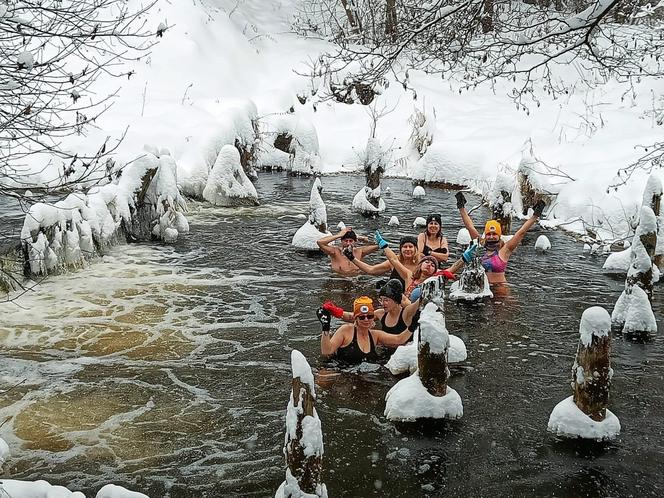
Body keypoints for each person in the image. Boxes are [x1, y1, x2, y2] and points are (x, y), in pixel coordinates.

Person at [455, 191, 545, 285]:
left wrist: (535, 216)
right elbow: (470, 227)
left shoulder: (505, 249)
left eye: (494, 234)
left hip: (500, 290)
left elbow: (521, 233)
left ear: (499, 235)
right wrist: (461, 207)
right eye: (489, 234)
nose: (491, 237)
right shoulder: (480, 244)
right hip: (482, 289)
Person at [318, 296, 413, 363]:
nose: (366, 319)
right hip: (340, 370)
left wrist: (414, 325)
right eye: (362, 317)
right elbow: (326, 351)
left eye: (370, 316)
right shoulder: (346, 330)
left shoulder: (375, 335)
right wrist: (325, 328)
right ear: (355, 318)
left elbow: (399, 339)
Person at [374, 231, 457, 300]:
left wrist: (465, 258)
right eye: (426, 262)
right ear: (420, 265)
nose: (429, 265)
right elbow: (394, 260)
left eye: (432, 265)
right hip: (407, 309)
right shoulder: (410, 276)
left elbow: (452, 269)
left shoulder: (434, 278)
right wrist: (383, 245)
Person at [321, 279, 420, 336]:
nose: (382, 303)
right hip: (386, 350)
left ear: (396, 300)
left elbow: (418, 304)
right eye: (381, 300)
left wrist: (426, 291)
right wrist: (337, 312)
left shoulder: (406, 313)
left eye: (386, 300)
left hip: (402, 354)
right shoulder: (380, 313)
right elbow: (355, 316)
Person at [342, 235, 420, 287]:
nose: (408, 249)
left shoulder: (421, 264)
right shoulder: (393, 262)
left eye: (410, 247)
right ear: (400, 249)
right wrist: (352, 258)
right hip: (393, 298)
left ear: (416, 249)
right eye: (405, 247)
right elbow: (371, 270)